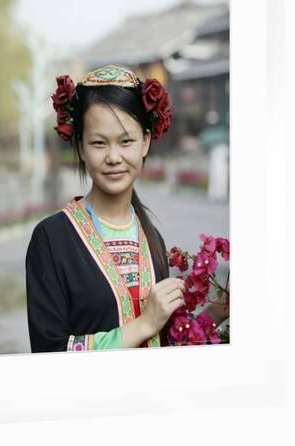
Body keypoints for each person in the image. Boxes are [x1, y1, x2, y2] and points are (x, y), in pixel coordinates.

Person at [25, 64, 226, 353]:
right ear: (80, 146)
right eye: (98, 143)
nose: (114, 157)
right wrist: (144, 324)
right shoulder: (51, 240)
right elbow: (49, 351)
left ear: (145, 142)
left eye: (126, 141)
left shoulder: (152, 238)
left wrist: (217, 312)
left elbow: (162, 343)